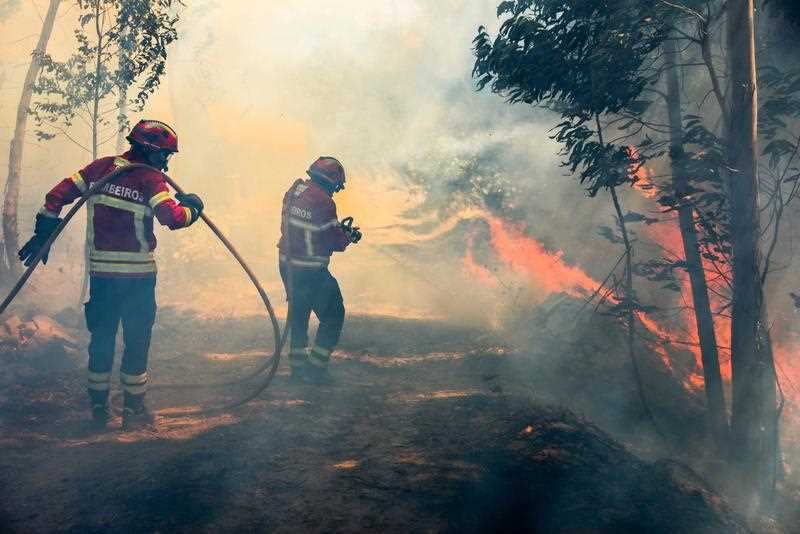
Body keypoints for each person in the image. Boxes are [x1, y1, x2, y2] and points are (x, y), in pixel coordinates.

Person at [18, 119, 204, 430]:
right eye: (164, 155)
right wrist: (193, 210)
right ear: (149, 150)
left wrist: (44, 232)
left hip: (102, 277)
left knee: (101, 340)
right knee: (136, 342)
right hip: (138, 279)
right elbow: (171, 218)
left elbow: (55, 195)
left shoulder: (100, 168)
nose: (166, 161)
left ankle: (99, 410)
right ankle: (133, 411)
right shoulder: (149, 178)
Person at [277, 156, 361, 384]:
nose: (336, 190)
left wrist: (334, 231)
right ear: (331, 182)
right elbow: (334, 240)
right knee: (334, 315)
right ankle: (316, 370)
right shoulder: (324, 202)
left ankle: (297, 370)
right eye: (336, 186)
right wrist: (348, 236)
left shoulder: (294, 190)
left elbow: (311, 228)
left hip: (287, 265)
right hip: (310, 270)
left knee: (299, 312)